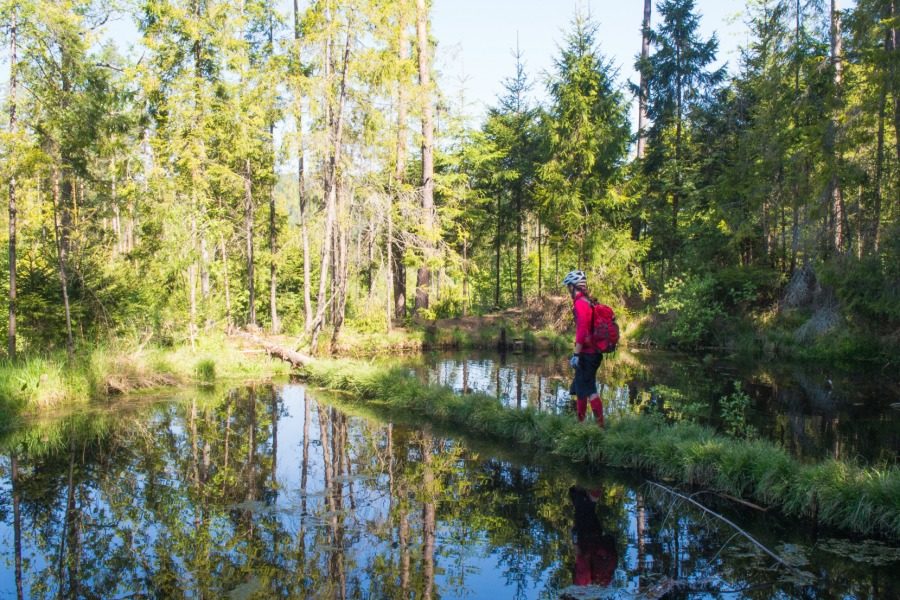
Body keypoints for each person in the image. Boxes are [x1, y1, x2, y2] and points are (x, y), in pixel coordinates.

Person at [562, 270, 604, 427]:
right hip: (593, 352)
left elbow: (581, 330)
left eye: (568, 287)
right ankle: (590, 425)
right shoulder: (588, 301)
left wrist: (576, 354)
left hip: (587, 353)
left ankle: (592, 426)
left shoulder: (580, 303)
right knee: (584, 388)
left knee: (586, 390)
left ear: (575, 287)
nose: (568, 290)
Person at [569, 485, 618, 587]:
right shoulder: (581, 586)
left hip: (598, 540)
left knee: (585, 509)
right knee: (582, 508)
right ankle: (592, 490)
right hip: (589, 541)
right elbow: (582, 561)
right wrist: (574, 541)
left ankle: (588, 491)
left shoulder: (601, 585)